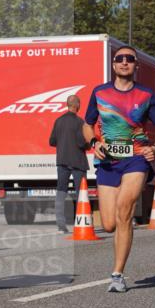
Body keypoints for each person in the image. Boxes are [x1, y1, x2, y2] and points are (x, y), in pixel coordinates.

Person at [83, 45, 155, 293]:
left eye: (129, 59)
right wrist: (93, 142)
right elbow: (87, 125)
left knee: (125, 210)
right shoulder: (99, 93)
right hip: (108, 162)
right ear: (113, 64)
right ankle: (119, 252)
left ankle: (117, 274)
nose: (124, 62)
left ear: (136, 65)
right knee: (109, 223)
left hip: (136, 158)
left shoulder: (146, 94)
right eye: (119, 59)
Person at [48, 94, 90, 234]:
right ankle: (81, 223)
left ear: (67, 105)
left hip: (62, 161)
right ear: (77, 105)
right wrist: (88, 144)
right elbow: (81, 142)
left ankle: (61, 225)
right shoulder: (80, 122)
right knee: (81, 193)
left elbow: (52, 141)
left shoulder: (58, 121)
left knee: (61, 192)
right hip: (77, 161)